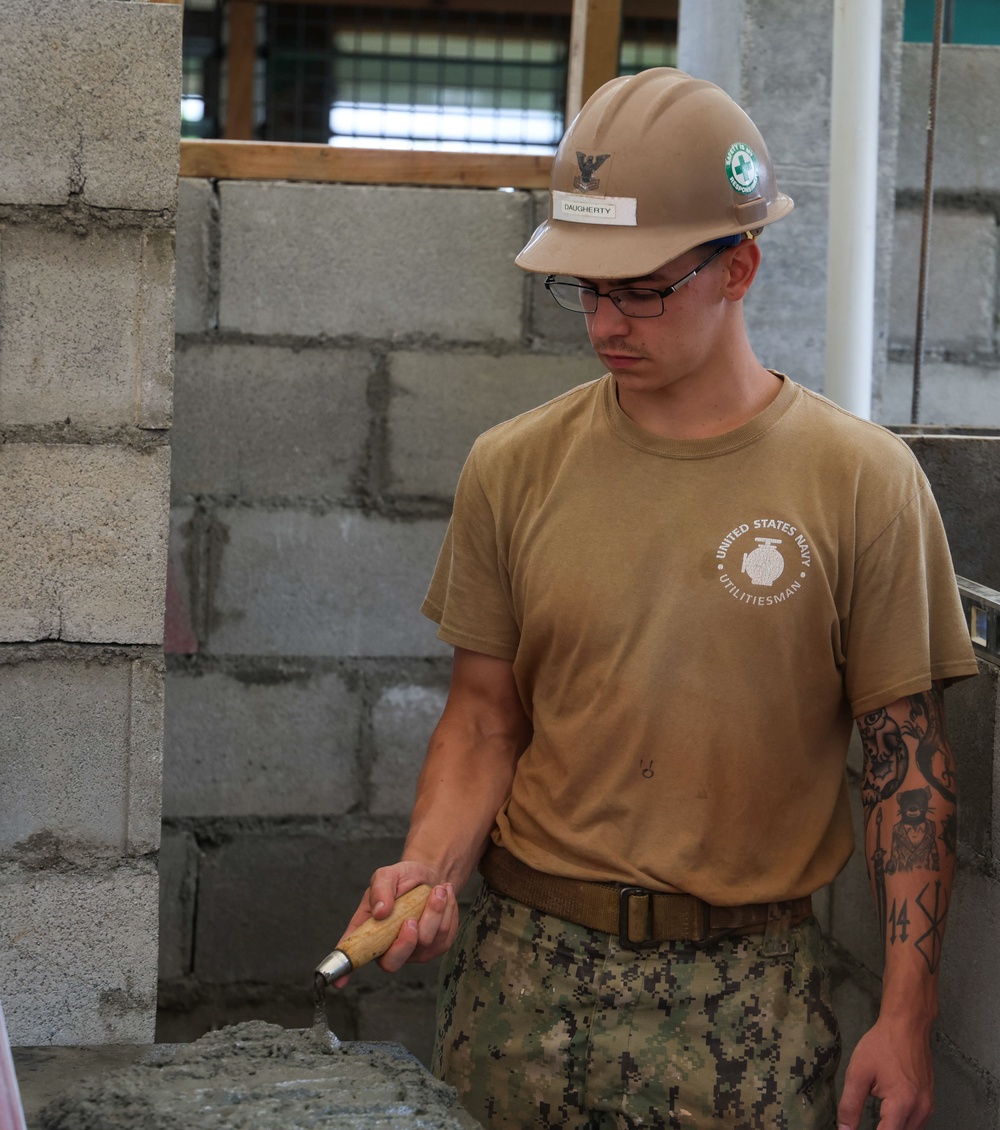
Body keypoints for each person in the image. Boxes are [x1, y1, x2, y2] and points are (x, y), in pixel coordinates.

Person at [338, 68, 979, 1129]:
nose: (604, 322)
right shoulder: (514, 465)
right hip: (521, 987)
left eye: (639, 286)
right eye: (584, 288)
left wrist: (907, 1014)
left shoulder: (860, 483)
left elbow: (907, 766)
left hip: (745, 1000)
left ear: (740, 267)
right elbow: (485, 717)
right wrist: (428, 866)